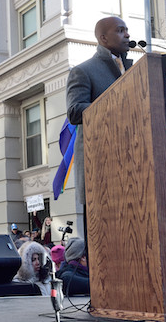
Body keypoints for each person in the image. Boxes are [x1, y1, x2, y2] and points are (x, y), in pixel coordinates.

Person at [66, 16, 132, 207]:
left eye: (127, 30)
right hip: (101, 169)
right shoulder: (83, 71)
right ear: (103, 38)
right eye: (120, 30)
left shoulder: (135, 70)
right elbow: (75, 111)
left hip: (133, 168)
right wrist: (115, 103)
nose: (127, 35)